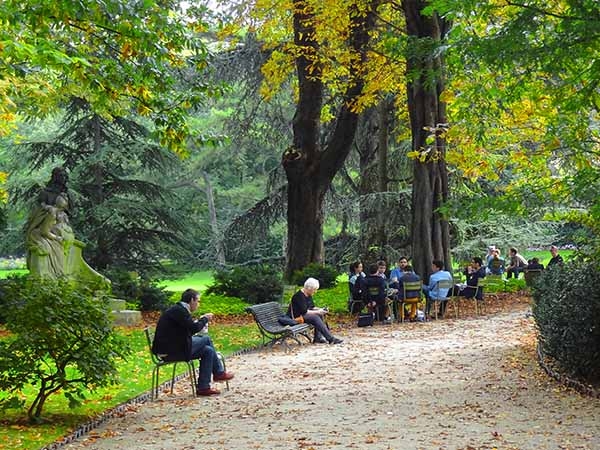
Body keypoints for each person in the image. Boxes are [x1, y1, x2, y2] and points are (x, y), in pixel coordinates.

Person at [152, 288, 234, 396]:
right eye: (198, 301)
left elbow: (188, 330)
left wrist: (199, 322)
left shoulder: (179, 310)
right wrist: (204, 319)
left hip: (176, 346)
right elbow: (194, 329)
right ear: (191, 300)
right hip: (170, 351)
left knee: (208, 351)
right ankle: (219, 372)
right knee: (206, 339)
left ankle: (203, 387)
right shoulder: (179, 311)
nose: (198, 304)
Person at [288, 278, 343, 344]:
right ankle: (331, 339)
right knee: (315, 317)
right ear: (309, 288)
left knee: (319, 314)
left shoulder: (308, 294)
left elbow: (312, 307)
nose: (315, 291)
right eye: (314, 290)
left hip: (303, 316)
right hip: (296, 318)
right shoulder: (298, 296)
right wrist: (318, 312)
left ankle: (318, 338)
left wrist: (321, 309)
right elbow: (305, 311)